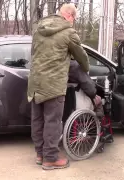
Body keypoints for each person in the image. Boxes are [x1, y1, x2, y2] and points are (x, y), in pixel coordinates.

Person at [27, 3, 89, 170]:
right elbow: (81, 57)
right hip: (54, 84)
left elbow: (34, 53)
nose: (73, 22)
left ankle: (40, 154)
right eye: (74, 18)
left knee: (38, 120)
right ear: (69, 16)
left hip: (35, 82)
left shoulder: (39, 29)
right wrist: (86, 69)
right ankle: (51, 158)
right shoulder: (69, 33)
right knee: (52, 122)